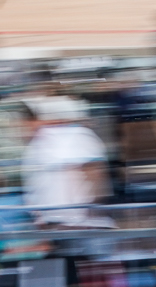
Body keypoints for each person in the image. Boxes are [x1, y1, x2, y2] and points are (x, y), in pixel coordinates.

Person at [20, 96, 108, 224]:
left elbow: (95, 176)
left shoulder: (78, 135)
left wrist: (89, 215)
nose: (26, 123)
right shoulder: (37, 144)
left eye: (33, 118)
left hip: (81, 224)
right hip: (51, 224)